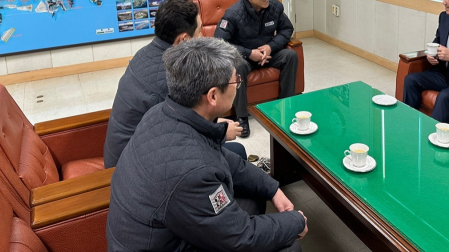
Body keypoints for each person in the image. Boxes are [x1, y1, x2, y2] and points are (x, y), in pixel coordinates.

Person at [106, 38, 307, 252]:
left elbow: (218, 156)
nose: (238, 84)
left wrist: (272, 189)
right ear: (212, 95)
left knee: (253, 195)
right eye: (235, 80)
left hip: (163, 231)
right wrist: (295, 221)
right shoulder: (193, 172)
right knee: (290, 248)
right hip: (163, 242)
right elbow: (242, 237)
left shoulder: (161, 113)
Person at [104, 0, 244, 168]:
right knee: (237, 152)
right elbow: (182, 133)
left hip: (123, 151)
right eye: (199, 31)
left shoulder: (146, 52)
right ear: (183, 40)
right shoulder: (171, 79)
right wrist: (221, 133)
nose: (202, 36)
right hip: (134, 165)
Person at [214, 0, 298, 137]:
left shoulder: (275, 7)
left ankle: (285, 105)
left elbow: (287, 29)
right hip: (245, 57)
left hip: (268, 54)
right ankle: (242, 117)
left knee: (290, 55)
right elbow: (219, 42)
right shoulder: (233, 14)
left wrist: (270, 47)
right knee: (237, 66)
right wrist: (249, 53)